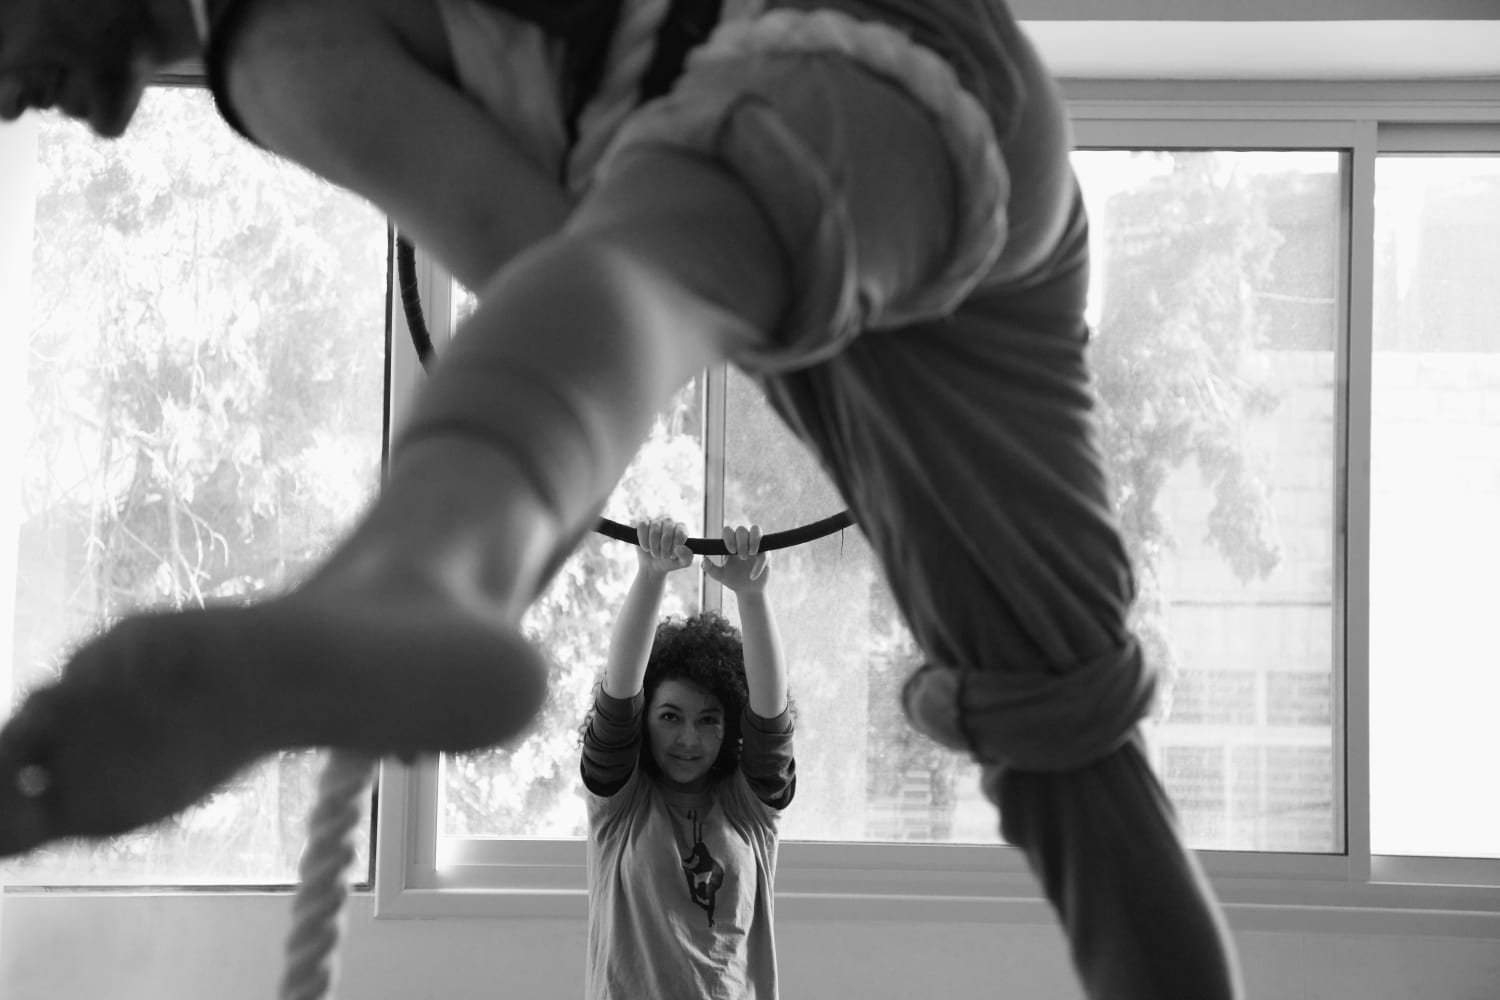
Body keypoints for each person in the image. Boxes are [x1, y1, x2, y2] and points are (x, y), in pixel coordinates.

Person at [0, 1, 1243, 997]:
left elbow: (534, 255)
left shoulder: (270, 42)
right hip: (991, 171)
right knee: (1077, 753)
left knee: (632, 285)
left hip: (824, 80)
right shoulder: (654, 807)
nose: (11, 98)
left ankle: (417, 579)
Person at [582, 517, 793, 999]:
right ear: (645, 720)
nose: (689, 739)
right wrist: (651, 576)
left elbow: (771, 722)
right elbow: (617, 701)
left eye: (709, 720)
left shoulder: (749, 811)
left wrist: (752, 595)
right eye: (671, 717)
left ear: (729, 727)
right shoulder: (622, 809)